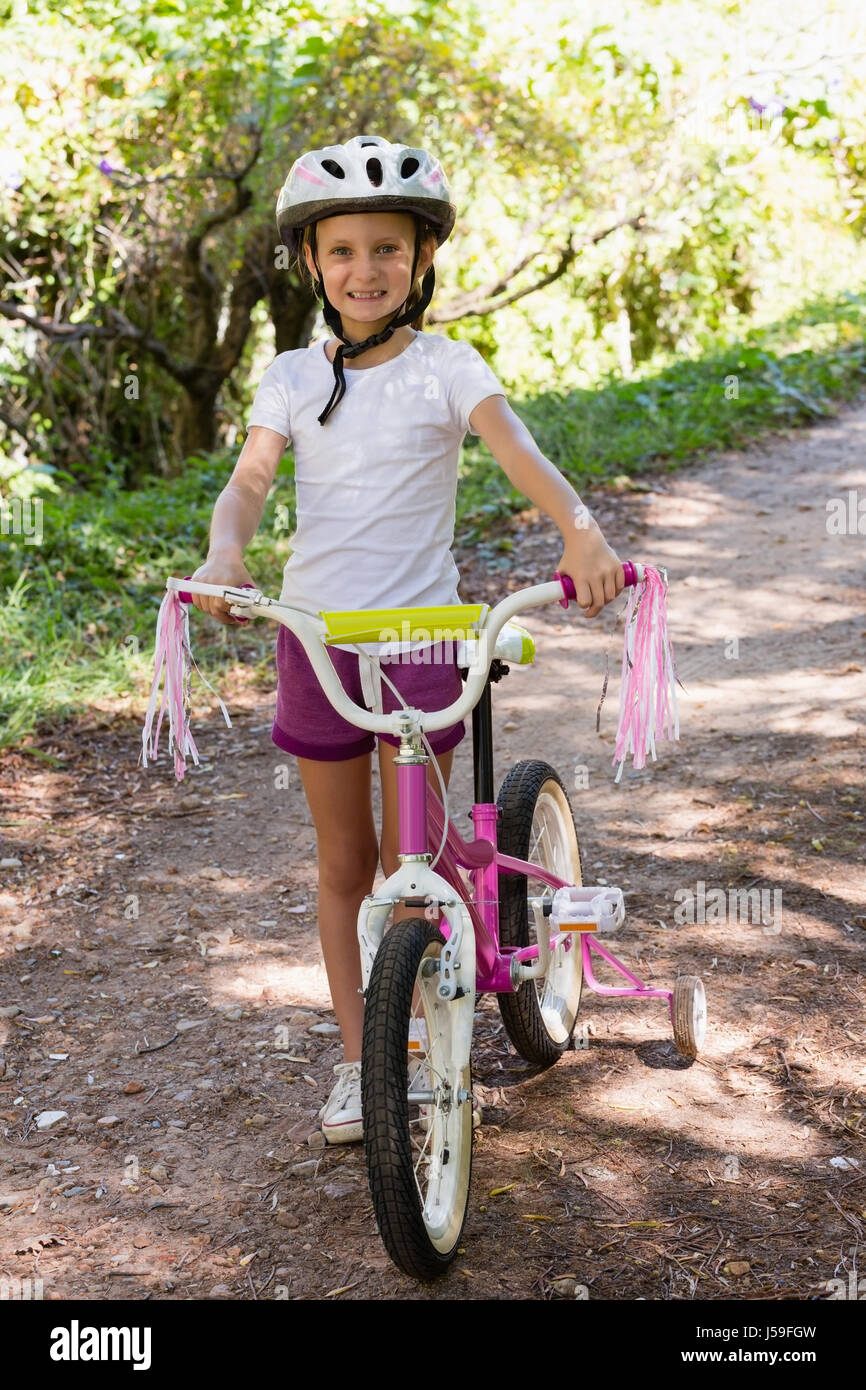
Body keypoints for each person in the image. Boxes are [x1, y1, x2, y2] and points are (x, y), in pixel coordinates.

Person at [188, 134, 624, 1143]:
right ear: (311, 262)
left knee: (407, 867)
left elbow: (519, 449)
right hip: (318, 638)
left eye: (387, 248)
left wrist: (580, 529)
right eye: (342, 251)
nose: (365, 269)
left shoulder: (445, 365)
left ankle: (426, 1041)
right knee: (343, 860)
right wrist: (223, 554)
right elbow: (249, 483)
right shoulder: (292, 376)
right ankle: (358, 1061)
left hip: (423, 641)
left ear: (421, 259)